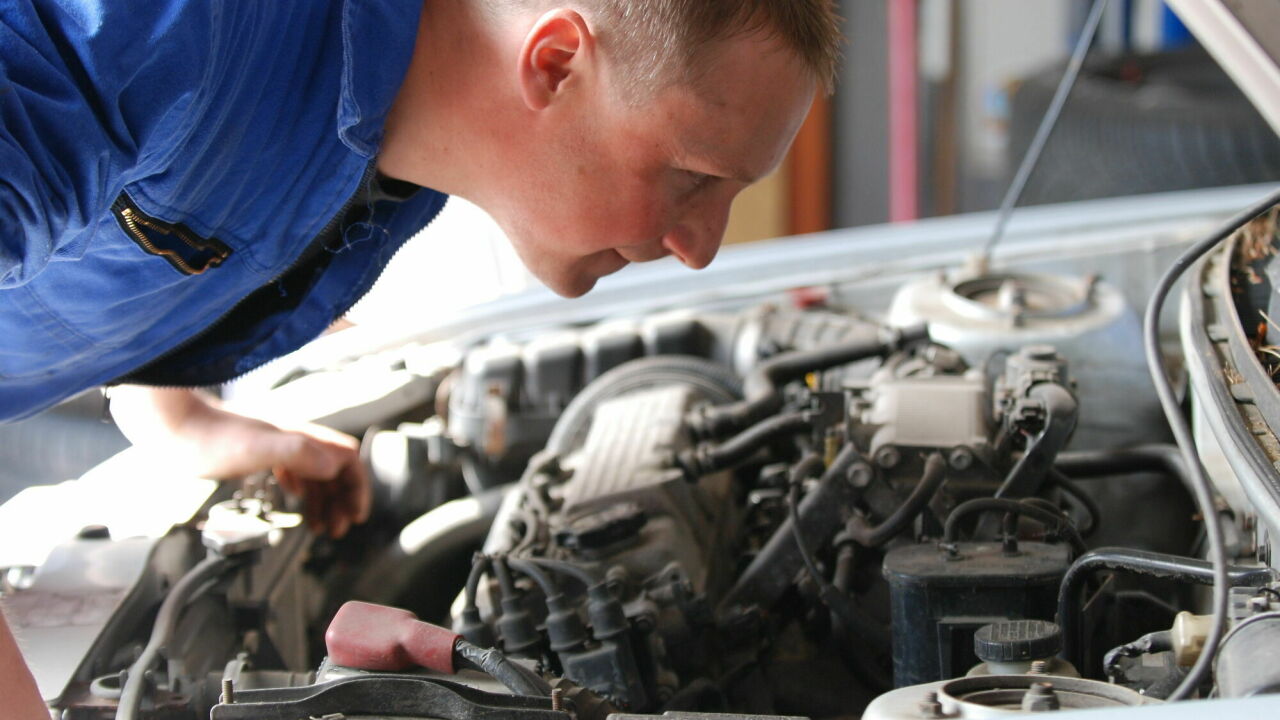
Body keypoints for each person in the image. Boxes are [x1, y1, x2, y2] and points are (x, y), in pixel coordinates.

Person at [1, 0, 839, 713]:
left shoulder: (420, 127)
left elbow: (169, 202)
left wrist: (175, 413)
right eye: (693, 175)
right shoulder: (171, 21)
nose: (702, 248)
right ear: (552, 64)